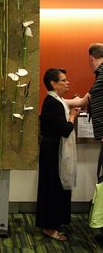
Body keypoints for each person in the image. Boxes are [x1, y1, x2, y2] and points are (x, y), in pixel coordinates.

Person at [36, 68, 80, 241]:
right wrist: (73, 116)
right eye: (63, 80)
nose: (67, 82)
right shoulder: (52, 102)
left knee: (57, 188)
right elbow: (65, 130)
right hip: (52, 152)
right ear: (53, 84)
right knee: (52, 188)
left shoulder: (57, 101)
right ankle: (49, 227)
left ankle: (54, 222)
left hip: (54, 150)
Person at [65, 43, 103, 243]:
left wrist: (60, 101)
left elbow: (85, 101)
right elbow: (85, 100)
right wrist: (60, 101)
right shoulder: (100, 79)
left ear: (91, 58)